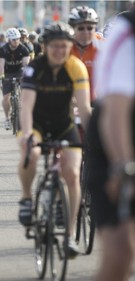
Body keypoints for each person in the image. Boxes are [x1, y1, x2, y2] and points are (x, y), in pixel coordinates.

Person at [17, 22, 91, 257]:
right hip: (36, 124)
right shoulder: (34, 68)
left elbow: (84, 108)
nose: (60, 50)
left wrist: (93, 138)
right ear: (45, 46)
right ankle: (27, 198)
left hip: (63, 125)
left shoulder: (76, 67)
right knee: (33, 152)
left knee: (72, 172)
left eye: (65, 46)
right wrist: (28, 136)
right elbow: (26, 107)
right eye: (55, 46)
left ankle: (69, 236)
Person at [87, 9, 135, 281]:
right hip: (114, 144)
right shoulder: (125, 35)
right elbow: (115, 112)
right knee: (121, 255)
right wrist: (123, 166)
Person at [0, 28, 30, 130]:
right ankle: (7, 119)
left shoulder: (24, 49)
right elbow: (1, 66)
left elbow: (26, 64)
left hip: (19, 71)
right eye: (13, 39)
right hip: (7, 73)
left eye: (17, 39)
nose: (16, 41)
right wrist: (1, 76)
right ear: (9, 40)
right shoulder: (3, 50)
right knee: (6, 97)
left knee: (24, 93)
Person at [68, 6, 102, 104]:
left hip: (98, 102)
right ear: (73, 29)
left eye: (90, 28)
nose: (86, 32)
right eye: (81, 28)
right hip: (70, 101)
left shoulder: (104, 47)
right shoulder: (65, 47)